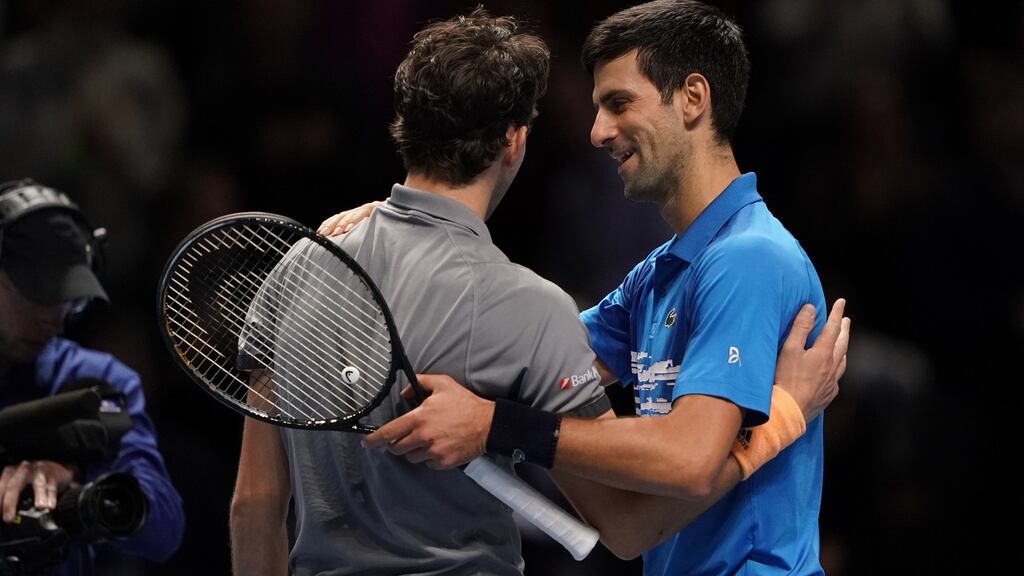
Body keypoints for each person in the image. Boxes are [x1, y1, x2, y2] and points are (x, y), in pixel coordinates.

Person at [234, 7, 845, 576]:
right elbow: (524, 356)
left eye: (618, 103)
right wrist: (399, 230)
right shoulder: (657, 274)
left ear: (692, 98)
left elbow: (687, 459)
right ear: (514, 139)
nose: (596, 132)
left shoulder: (748, 259)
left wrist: (783, 415)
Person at [0, 179, 184, 575]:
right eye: (37, 293)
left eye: (69, 299)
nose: (56, 318)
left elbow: (164, 527)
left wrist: (76, 476)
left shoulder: (96, 379)